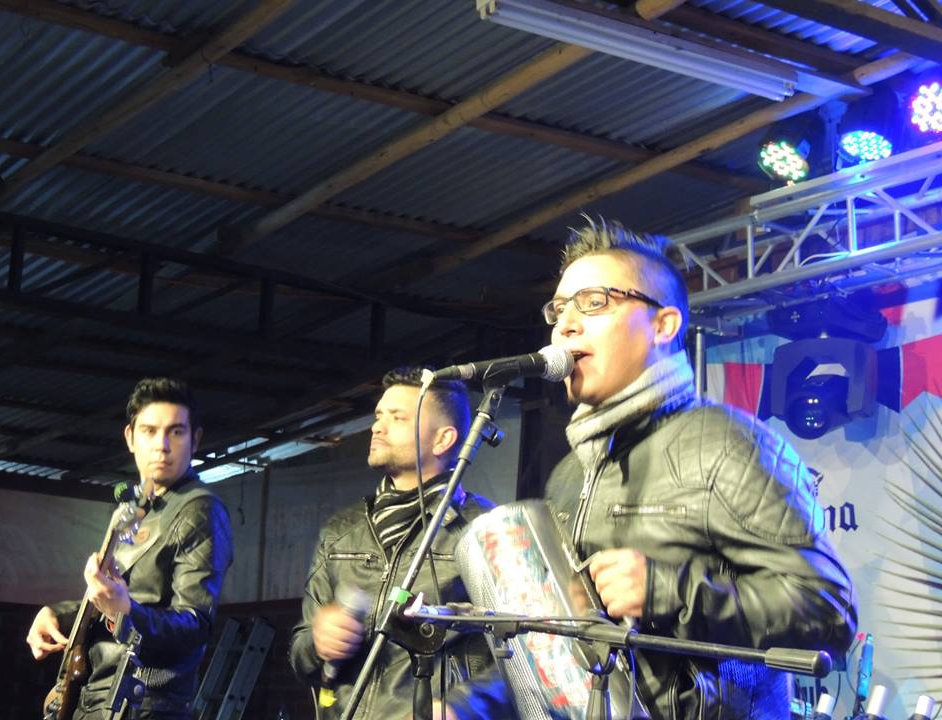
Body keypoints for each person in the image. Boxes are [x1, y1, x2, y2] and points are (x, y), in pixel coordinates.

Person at [446, 219, 857, 719]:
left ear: (663, 325)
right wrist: (465, 706)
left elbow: (829, 612)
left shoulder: (724, 444)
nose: (565, 324)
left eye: (593, 301)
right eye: (559, 308)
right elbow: (554, 649)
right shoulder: (571, 473)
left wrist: (666, 591)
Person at [289, 367, 508, 719]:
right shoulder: (340, 531)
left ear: (443, 439)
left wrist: (461, 707)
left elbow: (529, 653)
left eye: (397, 417)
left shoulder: (486, 529)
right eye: (379, 415)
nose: (377, 426)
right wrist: (317, 642)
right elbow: (300, 656)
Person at [26, 377, 234, 720]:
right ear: (130, 438)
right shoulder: (138, 509)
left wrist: (124, 612)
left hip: (141, 704)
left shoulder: (201, 509)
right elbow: (122, 597)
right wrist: (57, 614)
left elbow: (195, 625)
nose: (161, 445)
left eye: (176, 432)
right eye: (149, 431)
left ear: (195, 439)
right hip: (97, 696)